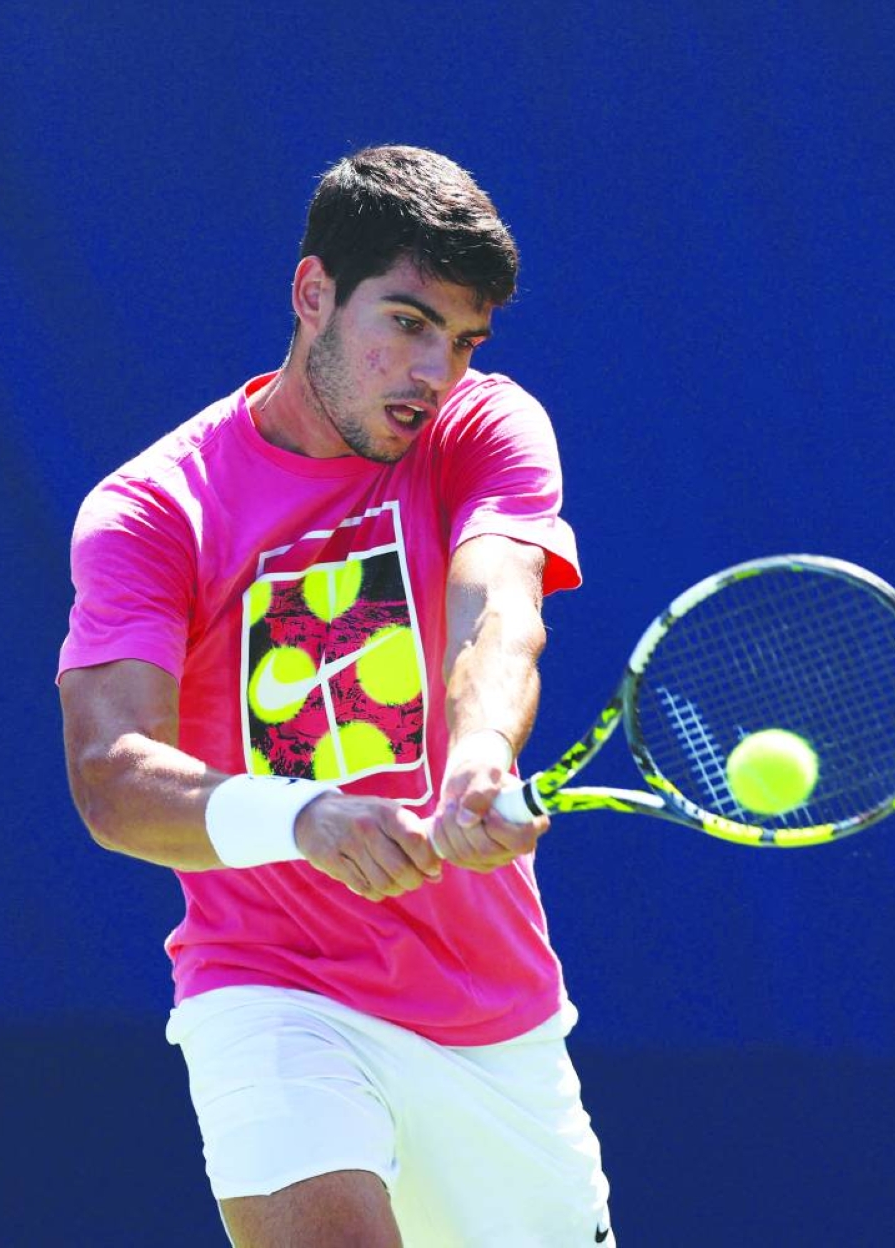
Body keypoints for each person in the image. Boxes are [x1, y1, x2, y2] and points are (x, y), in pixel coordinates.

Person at [58, 144, 614, 1247]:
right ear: (313, 294)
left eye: (460, 342)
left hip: (493, 1018)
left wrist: (479, 755)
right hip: (272, 990)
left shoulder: (486, 428)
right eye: (405, 323)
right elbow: (113, 779)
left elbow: (497, 603)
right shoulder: (153, 511)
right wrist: (302, 820)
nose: (432, 374)